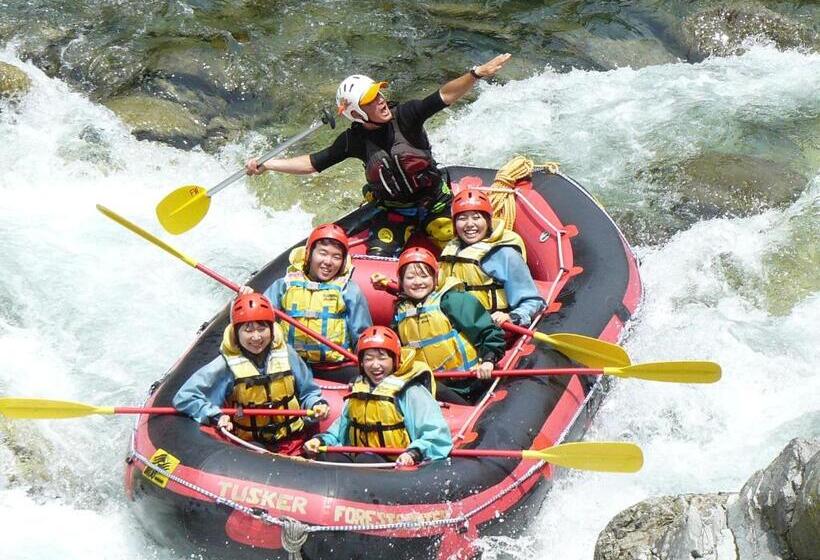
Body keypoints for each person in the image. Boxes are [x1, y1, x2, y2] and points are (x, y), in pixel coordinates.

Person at [245, 54, 512, 256]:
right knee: (377, 254)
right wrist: (269, 165)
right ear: (357, 113)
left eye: (379, 94)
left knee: (469, 248)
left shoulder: (406, 116)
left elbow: (443, 96)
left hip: (434, 201)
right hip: (394, 210)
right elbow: (313, 163)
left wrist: (476, 74)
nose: (381, 101)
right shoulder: (353, 140)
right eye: (371, 100)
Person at [173, 293, 330, 455]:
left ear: (271, 329)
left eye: (262, 329)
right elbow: (185, 397)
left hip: (294, 439)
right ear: (236, 333)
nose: (256, 337)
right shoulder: (225, 365)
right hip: (250, 446)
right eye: (248, 330)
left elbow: (308, 392)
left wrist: (316, 404)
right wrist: (215, 415)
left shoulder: (287, 354)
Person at [303, 326, 452, 466]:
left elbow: (436, 435)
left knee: (366, 459)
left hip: (395, 464)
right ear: (361, 363)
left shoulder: (411, 391)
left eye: (382, 358)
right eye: (368, 359)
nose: (375, 365)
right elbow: (339, 431)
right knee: (328, 457)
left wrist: (413, 453)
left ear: (395, 360)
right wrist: (320, 441)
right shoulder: (359, 389)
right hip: (361, 460)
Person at [242, 223, 372, 384]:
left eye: (336, 257)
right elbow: (259, 319)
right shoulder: (284, 285)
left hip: (335, 366)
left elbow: (362, 335)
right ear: (309, 254)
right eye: (322, 253)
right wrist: (247, 301)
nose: (328, 262)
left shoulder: (349, 290)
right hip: (290, 363)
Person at [389, 246, 506, 404]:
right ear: (401, 282)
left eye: (424, 276)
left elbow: (488, 332)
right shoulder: (401, 311)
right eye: (410, 277)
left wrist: (488, 360)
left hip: (471, 382)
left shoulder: (452, 300)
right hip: (432, 385)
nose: (418, 282)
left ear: (435, 278)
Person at [440, 189, 545, 327]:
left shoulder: (505, 254)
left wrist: (512, 317)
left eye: (476, 217)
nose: (469, 224)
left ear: (488, 221)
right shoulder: (451, 250)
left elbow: (532, 301)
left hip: (491, 329)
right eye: (462, 218)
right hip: (455, 326)